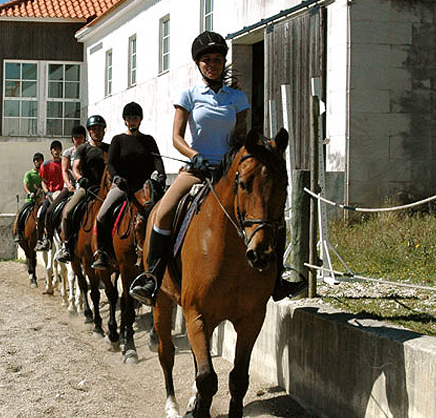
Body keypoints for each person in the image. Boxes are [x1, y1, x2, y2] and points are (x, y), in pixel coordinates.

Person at [129, 31, 305, 305]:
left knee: (272, 215)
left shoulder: (237, 98)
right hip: (196, 169)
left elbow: (241, 137)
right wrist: (194, 155)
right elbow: (176, 137)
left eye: (217, 59)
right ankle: (152, 277)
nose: (212, 64)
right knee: (162, 213)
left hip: (230, 171)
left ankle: (277, 277)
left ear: (224, 62)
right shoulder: (188, 94)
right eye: (207, 60)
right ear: (199, 64)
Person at [91, 102, 166, 269]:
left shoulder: (148, 140)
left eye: (135, 118)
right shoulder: (118, 140)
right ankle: (102, 253)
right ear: (125, 120)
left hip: (144, 186)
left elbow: (157, 159)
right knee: (101, 215)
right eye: (129, 118)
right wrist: (116, 178)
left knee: (167, 211)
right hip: (122, 185)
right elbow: (110, 164)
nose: (132, 121)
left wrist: (161, 173)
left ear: (140, 120)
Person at [56, 115, 109, 263]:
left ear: (104, 131)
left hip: (106, 190)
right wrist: (80, 178)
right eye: (94, 129)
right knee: (68, 212)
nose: (97, 132)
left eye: (100, 129)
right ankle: (66, 246)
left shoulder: (108, 148)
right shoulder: (83, 148)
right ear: (90, 131)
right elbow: (75, 167)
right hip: (87, 188)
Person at [35, 140, 65, 251]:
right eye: (54, 149)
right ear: (51, 151)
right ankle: (42, 240)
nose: (56, 151)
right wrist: (47, 192)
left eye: (58, 149)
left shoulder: (64, 163)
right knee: (42, 213)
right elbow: (43, 181)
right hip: (51, 195)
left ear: (61, 150)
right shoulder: (46, 165)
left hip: (63, 194)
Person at [15, 153, 44, 244]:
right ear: (34, 162)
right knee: (21, 213)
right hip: (31, 200)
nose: (38, 162)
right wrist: (29, 193)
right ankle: (19, 232)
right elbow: (25, 185)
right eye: (37, 160)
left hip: (42, 200)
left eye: (40, 160)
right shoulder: (29, 174)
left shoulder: (43, 173)